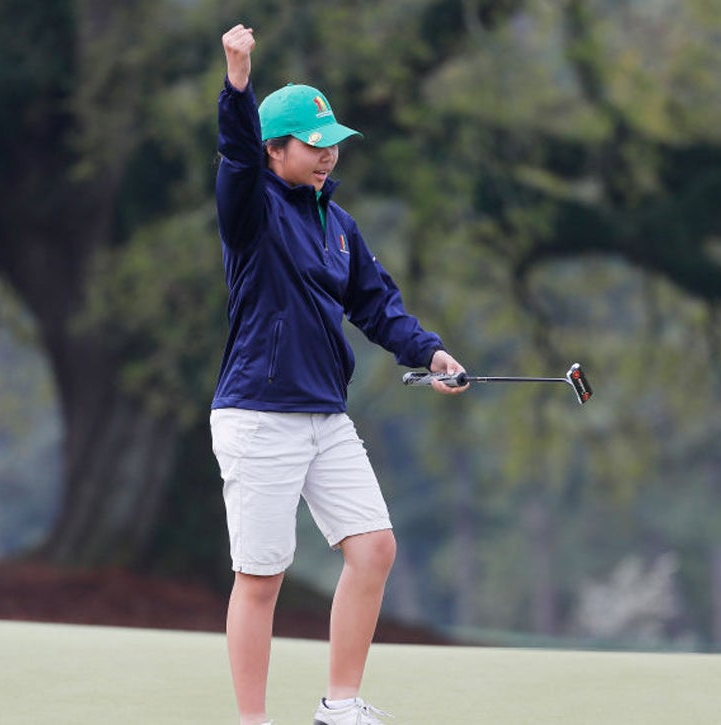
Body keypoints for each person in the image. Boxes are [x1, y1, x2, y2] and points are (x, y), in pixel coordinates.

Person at [210, 23, 468, 725]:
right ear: (276, 151)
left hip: (323, 413)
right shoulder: (252, 209)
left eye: (332, 143)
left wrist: (430, 352)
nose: (328, 155)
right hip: (259, 414)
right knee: (260, 578)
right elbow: (234, 151)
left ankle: (340, 703)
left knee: (374, 546)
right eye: (313, 143)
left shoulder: (339, 226)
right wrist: (238, 80)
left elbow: (377, 306)